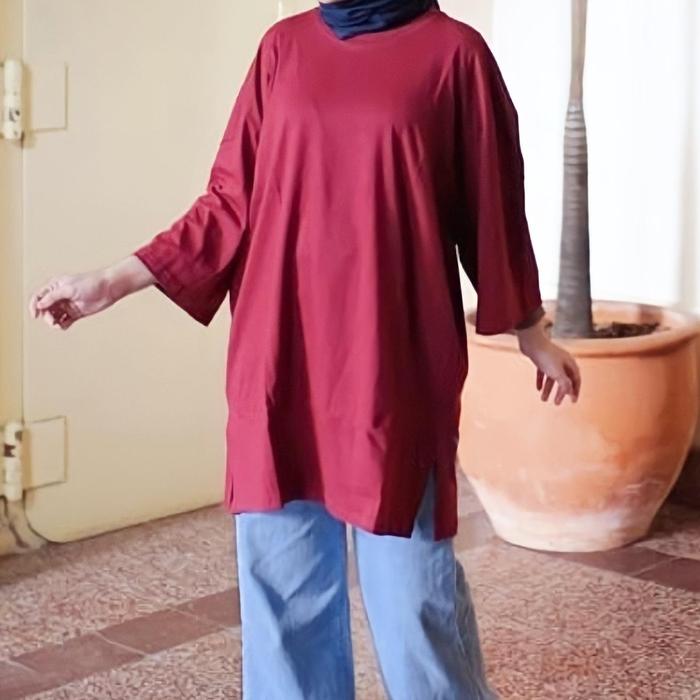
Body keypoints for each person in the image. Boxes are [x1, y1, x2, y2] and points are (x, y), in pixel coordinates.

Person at [28, 0, 582, 697]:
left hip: (391, 366)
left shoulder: (454, 56)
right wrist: (112, 280)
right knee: (283, 604)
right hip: (280, 360)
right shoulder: (282, 49)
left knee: (415, 600)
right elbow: (228, 202)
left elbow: (491, 204)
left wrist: (531, 331)